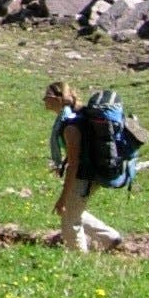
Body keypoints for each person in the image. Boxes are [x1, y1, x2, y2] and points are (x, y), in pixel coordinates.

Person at [46, 78, 125, 255]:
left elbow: (75, 165)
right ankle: (110, 238)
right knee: (75, 211)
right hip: (92, 172)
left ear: (57, 99)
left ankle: (79, 259)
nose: (44, 101)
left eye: (47, 97)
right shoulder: (76, 118)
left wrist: (62, 198)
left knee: (69, 220)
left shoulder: (70, 126)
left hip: (85, 176)